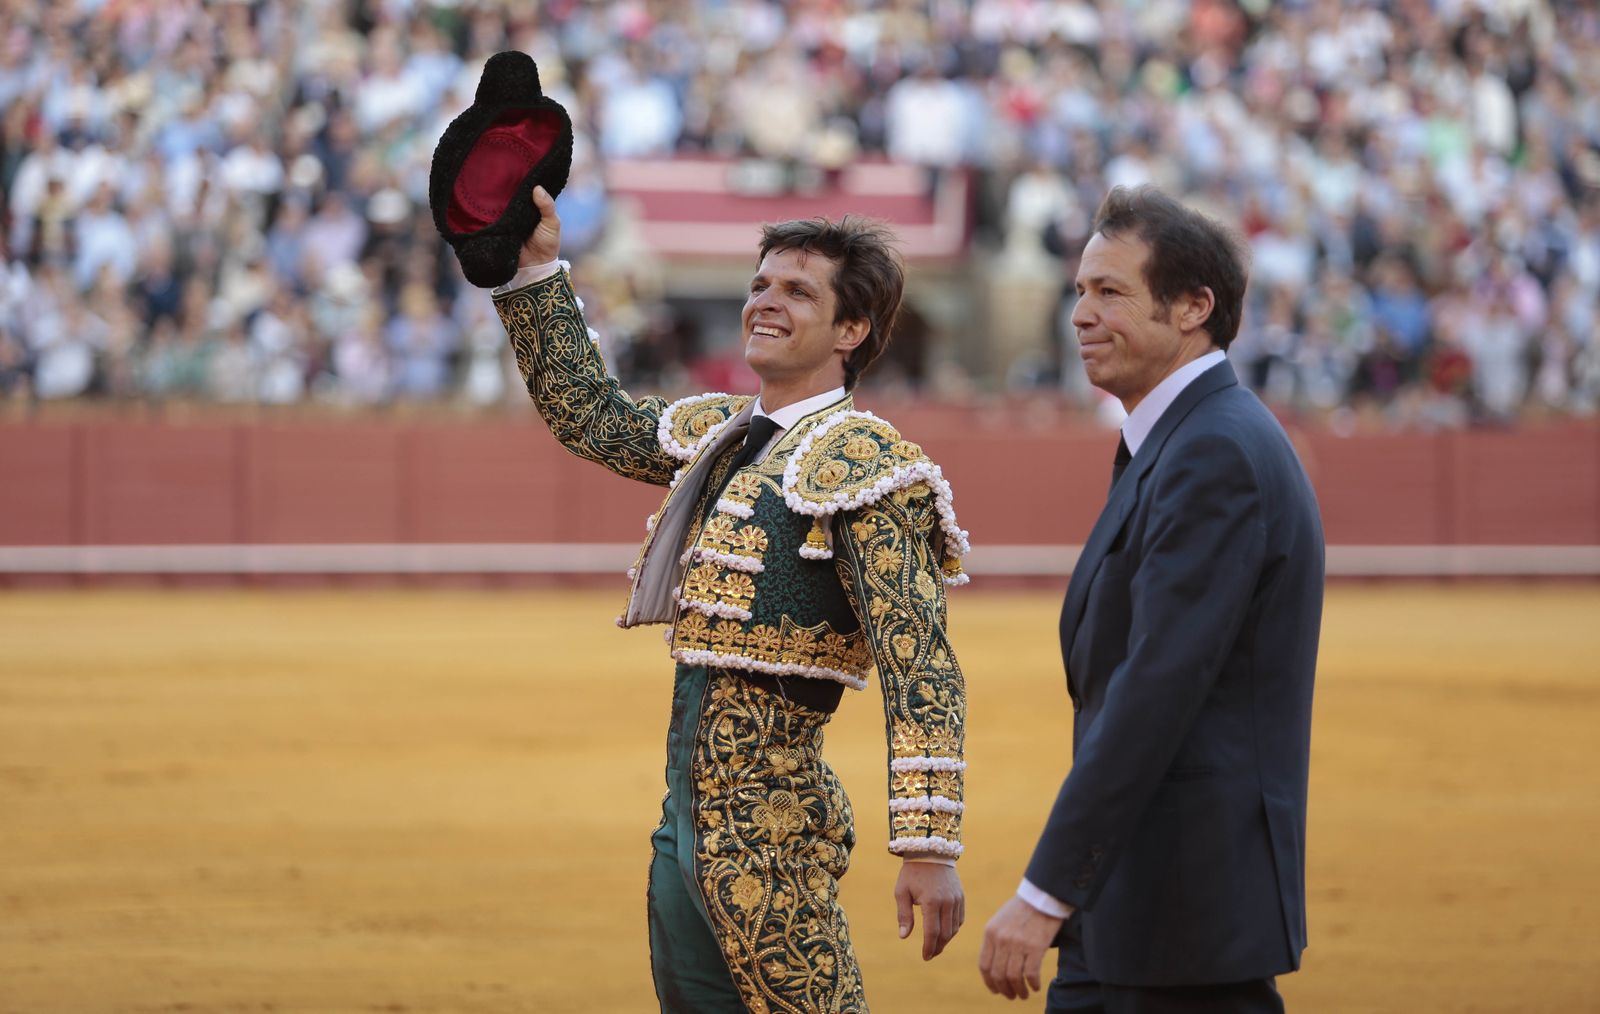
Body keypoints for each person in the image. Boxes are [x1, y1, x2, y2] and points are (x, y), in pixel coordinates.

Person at [492, 185, 971, 1012]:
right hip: (683, 824)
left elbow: (919, 660)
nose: (766, 302)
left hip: (773, 829)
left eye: (797, 292)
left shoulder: (869, 464)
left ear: (850, 331)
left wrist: (928, 844)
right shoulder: (722, 435)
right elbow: (593, 418)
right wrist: (537, 274)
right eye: (759, 285)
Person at [978, 185, 1325, 1012]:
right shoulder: (1184, 438)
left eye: (1110, 293)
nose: (1081, 315)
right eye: (1080, 293)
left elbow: (1157, 688)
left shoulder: (1212, 452)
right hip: (1142, 899)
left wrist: (1045, 892)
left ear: (1192, 308)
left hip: (1184, 908)